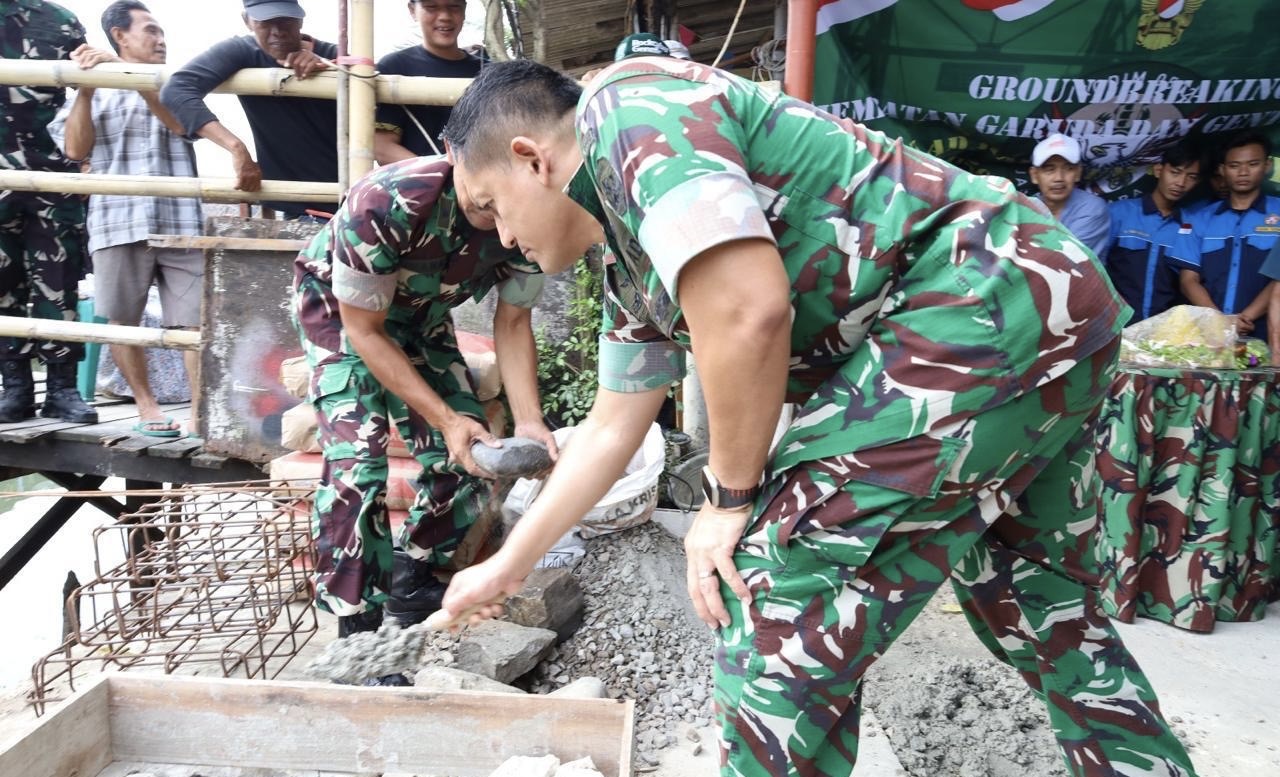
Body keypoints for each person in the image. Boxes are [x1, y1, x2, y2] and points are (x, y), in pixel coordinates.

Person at [439, 59, 1198, 776]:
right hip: (1049, 307)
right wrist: (506, 568)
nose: (502, 238)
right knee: (1039, 605)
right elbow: (611, 427)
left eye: (489, 207)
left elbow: (748, 310)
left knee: (773, 583)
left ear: (531, 157)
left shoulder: (627, 110)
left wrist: (727, 499)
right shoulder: (633, 264)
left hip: (980, 303)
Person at [292, 153, 556, 684]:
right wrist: (445, 417)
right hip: (344, 316)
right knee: (357, 469)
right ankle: (360, 641)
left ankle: (412, 577)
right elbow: (365, 331)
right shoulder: (388, 199)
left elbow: (514, 320)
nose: (502, 231)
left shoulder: (529, 211)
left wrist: (529, 421)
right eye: (486, 213)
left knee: (472, 458)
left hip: (421, 317)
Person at [49, 0, 202, 438]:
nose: (161, 39)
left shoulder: (177, 80)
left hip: (180, 221)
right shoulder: (93, 82)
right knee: (122, 321)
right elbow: (76, 150)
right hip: (117, 219)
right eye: (150, 30)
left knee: (193, 322)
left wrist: (126, 74)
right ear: (120, 35)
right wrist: (86, 87)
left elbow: (180, 124)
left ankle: (198, 410)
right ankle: (147, 406)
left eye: (160, 31)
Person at [0, 0, 98, 425]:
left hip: (50, 173)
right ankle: (14, 389)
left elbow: (90, 76)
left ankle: (62, 388)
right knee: (2, 284)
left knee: (59, 282)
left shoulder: (58, 20)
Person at [159, 0, 339, 219]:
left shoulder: (335, 57)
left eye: (284, 21)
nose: (277, 32)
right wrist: (236, 148)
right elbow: (177, 90)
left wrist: (331, 68)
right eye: (265, 22)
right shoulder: (243, 51)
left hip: (351, 198)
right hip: (295, 206)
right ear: (247, 22)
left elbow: (375, 82)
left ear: (300, 19)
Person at [1169, 131, 1279, 341]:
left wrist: (1246, 317)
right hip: (1209, 336)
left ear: (1268, 166)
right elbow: (1188, 280)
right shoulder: (1199, 219)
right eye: (1234, 166)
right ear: (1222, 169)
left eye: (1253, 164)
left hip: (1269, 335)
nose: (1243, 172)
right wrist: (1220, 321)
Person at [373, 0, 480, 164]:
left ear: (464, 10)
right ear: (412, 10)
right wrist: (442, 177)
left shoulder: (487, 70)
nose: (445, 17)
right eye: (431, 7)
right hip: (418, 186)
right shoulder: (394, 67)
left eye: (454, 6)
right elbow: (382, 147)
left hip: (479, 184)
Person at [1104, 144, 1201, 324]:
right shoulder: (1119, 213)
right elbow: (1095, 267)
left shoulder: (1192, 225)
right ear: (1158, 170)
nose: (1181, 183)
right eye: (1175, 172)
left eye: (1191, 177)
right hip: (1115, 325)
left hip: (1165, 332)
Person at [1029, 132, 1111, 262]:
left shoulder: (1093, 209)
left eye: (1068, 169)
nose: (1059, 178)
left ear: (1078, 173)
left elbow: (1065, 260)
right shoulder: (1026, 207)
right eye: (1049, 169)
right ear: (1034, 175)